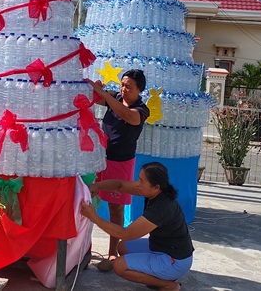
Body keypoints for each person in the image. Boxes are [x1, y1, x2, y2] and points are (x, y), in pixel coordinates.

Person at [81, 162, 194, 291]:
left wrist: (94, 217)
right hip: (161, 247)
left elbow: (125, 233)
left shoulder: (161, 208)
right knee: (122, 247)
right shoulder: (156, 191)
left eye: (141, 181)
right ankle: (160, 278)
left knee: (119, 265)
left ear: (156, 187)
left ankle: (168, 285)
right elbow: (120, 185)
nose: (137, 184)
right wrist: (97, 186)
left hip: (175, 260)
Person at [86, 69, 150, 271]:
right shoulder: (114, 97)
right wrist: (94, 87)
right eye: (122, 85)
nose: (123, 89)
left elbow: (125, 114)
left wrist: (104, 94)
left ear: (140, 89)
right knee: (88, 198)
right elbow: (95, 98)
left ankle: (112, 253)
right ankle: (83, 248)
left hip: (121, 163)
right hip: (99, 159)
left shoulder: (141, 109)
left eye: (129, 86)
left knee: (116, 208)